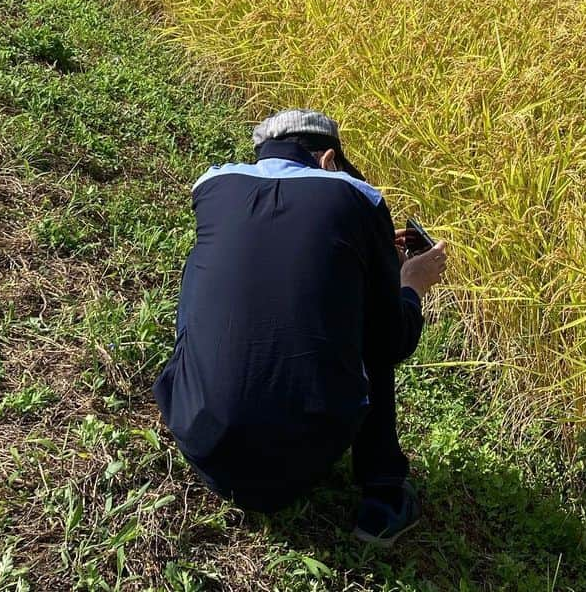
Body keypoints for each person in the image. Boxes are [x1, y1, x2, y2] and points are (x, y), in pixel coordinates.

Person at [153, 109, 447, 545]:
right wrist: (410, 284)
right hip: (301, 456)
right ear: (329, 159)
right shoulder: (358, 196)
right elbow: (393, 340)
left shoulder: (212, 185)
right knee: (371, 321)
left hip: (201, 436)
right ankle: (383, 497)